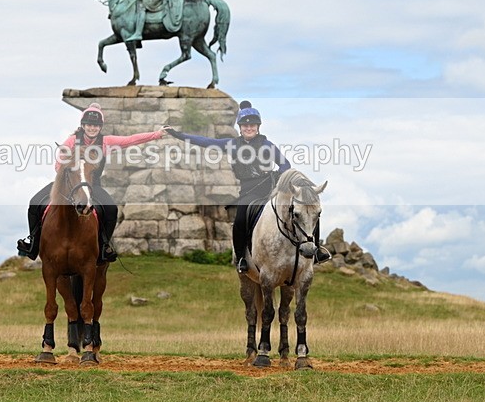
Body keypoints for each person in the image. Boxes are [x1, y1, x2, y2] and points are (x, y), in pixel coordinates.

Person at [166, 101, 331, 273]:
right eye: (245, 125)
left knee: (308, 208)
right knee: (240, 219)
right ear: (240, 127)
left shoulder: (266, 145)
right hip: (249, 193)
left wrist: (278, 173)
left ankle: (317, 249)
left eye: (252, 125)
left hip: (270, 190)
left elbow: (285, 164)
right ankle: (241, 258)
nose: (248, 128)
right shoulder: (232, 144)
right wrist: (176, 134)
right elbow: (205, 141)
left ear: (258, 127)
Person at [18, 102, 167, 263]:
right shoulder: (71, 141)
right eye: (89, 124)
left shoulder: (106, 142)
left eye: (96, 125)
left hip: (92, 186)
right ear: (83, 125)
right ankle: (33, 243)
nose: (92, 128)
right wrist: (67, 173)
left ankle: (104, 246)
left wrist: (157, 134)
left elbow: (130, 140)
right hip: (67, 184)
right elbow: (58, 164)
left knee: (111, 210)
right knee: (34, 203)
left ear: (100, 127)